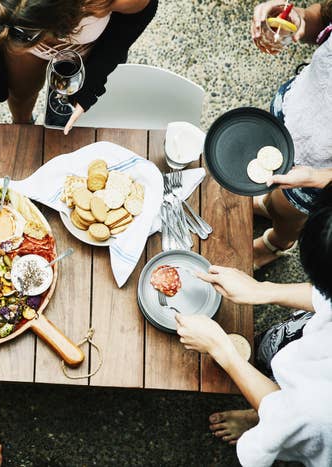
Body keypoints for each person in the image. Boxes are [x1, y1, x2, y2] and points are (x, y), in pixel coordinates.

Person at [174, 187, 332, 466]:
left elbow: (291, 415)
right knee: (269, 350)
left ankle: (256, 415)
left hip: (303, 421)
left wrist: (222, 350)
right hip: (308, 355)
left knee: (276, 411)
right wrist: (262, 290)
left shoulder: (319, 409)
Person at [0, 0, 157, 134]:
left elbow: (127, 30)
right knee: (20, 94)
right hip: (34, 47)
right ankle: (23, 125)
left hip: (82, 44)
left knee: (66, 94)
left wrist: (91, 84)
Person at [250, 0, 332, 268]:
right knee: (277, 192)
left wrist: (321, 178)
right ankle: (269, 205)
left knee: (290, 210)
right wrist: (297, 19)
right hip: (297, 108)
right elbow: (322, 18)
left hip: (321, 165)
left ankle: (276, 243)